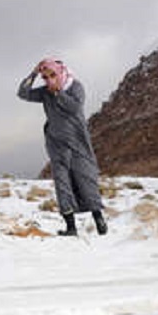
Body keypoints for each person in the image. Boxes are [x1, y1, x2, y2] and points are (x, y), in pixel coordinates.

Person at [17, 57, 107, 236]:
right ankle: (71, 227)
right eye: (45, 77)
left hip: (78, 143)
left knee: (86, 179)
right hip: (56, 146)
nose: (49, 80)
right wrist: (34, 73)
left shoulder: (75, 87)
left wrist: (59, 93)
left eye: (52, 75)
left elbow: (74, 108)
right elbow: (23, 93)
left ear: (60, 73)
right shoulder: (45, 92)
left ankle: (99, 219)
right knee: (62, 184)